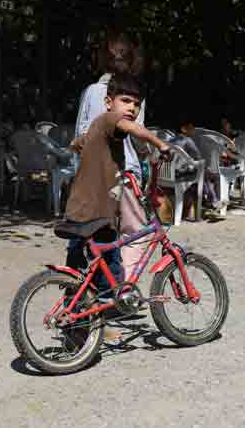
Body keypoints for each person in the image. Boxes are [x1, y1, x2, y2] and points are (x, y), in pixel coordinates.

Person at [63, 73, 170, 296]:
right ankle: (104, 318)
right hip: (98, 213)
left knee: (77, 268)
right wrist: (161, 144)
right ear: (109, 103)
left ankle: (72, 319)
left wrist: (84, 151)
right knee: (110, 270)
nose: (132, 108)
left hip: (78, 208)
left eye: (136, 104)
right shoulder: (111, 119)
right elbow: (135, 130)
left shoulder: (98, 127)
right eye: (125, 101)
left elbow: (77, 143)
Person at [73, 31, 149, 274]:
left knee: (96, 235)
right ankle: (120, 291)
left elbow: (80, 133)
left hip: (91, 177)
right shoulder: (134, 95)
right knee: (136, 232)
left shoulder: (90, 91)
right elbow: (138, 137)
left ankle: (92, 288)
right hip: (124, 174)